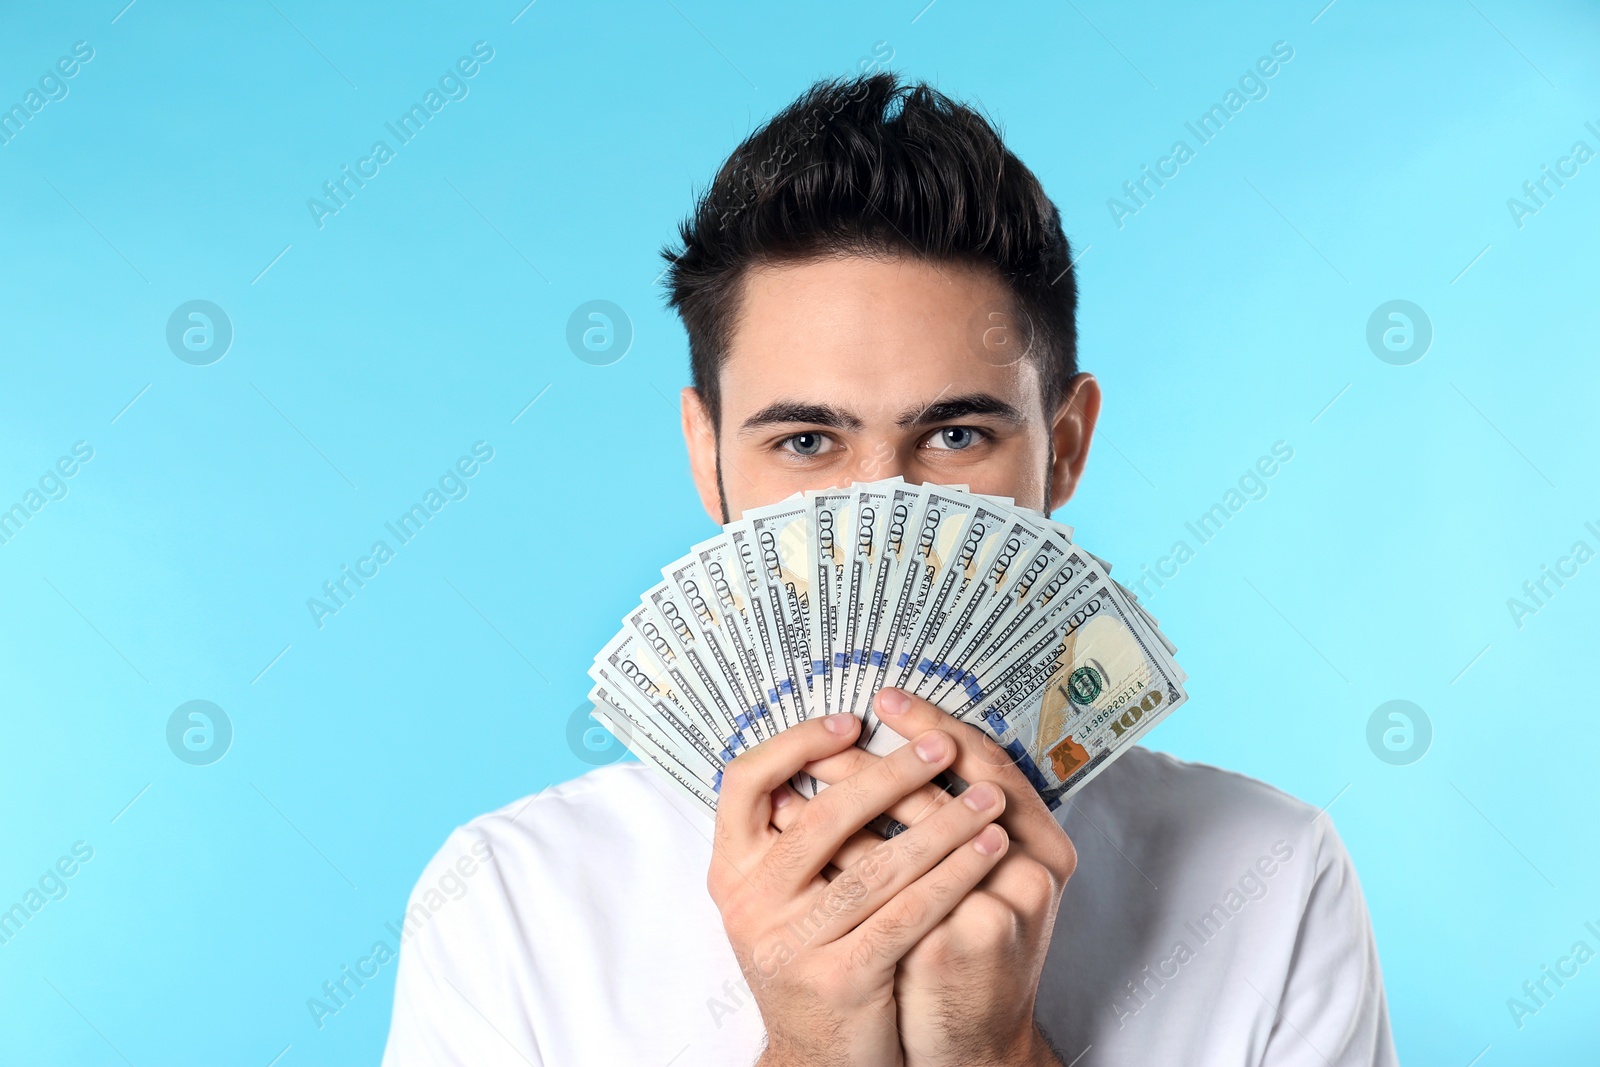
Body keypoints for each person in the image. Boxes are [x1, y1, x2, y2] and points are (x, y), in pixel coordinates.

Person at [382, 72, 1396, 1066]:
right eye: (806, 443)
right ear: (708, 454)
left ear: (1068, 443)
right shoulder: (509, 900)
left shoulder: (1267, 872)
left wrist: (990, 1052)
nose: (881, 511)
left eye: (955, 434)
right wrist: (813, 1052)